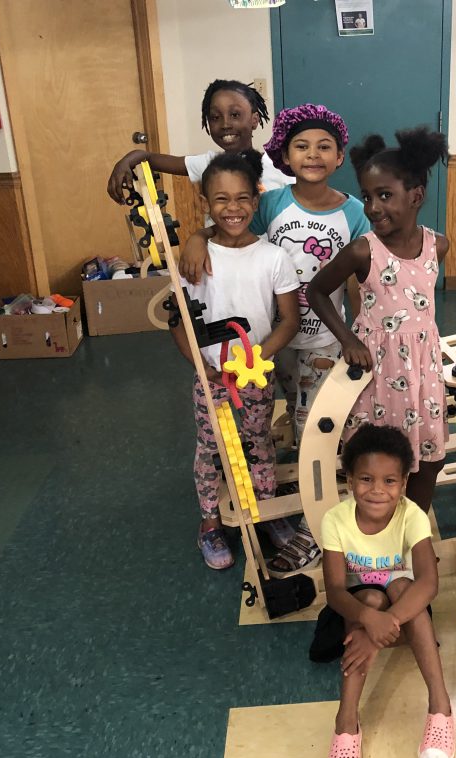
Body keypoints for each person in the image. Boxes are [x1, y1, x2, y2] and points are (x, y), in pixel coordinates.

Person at [182, 104, 370, 575]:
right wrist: (195, 239)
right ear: (285, 154)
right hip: (268, 349)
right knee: (249, 433)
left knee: (311, 431)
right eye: (302, 146)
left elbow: (362, 278)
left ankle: (309, 516)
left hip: (317, 342)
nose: (313, 154)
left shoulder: (353, 212)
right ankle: (225, 515)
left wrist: (359, 331)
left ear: (340, 156)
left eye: (324, 146)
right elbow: (228, 222)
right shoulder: (272, 203)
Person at [307, 127, 449, 516]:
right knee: (375, 455)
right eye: (367, 197)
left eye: (384, 195)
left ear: (416, 196)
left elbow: (420, 304)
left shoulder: (439, 245)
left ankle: (413, 527)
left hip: (424, 368)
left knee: (429, 451)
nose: (372, 207)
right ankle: (370, 526)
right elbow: (317, 291)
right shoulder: (361, 250)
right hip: (378, 369)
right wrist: (347, 342)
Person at [168, 150, 300, 570]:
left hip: (255, 374)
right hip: (211, 377)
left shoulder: (274, 258)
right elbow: (178, 320)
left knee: (257, 442)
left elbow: (289, 320)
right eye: (221, 199)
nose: (233, 208)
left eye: (242, 198)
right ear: (205, 202)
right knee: (211, 447)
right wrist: (199, 365)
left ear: (257, 200)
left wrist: (258, 358)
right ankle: (210, 522)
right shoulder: (196, 258)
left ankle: (265, 510)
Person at [320, 424, 455, 758]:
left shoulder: (411, 515)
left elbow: (428, 583)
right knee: (370, 601)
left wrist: (379, 633)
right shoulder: (335, 520)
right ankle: (346, 724)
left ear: (404, 484)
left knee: (401, 587)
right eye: (366, 479)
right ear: (349, 480)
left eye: (389, 481)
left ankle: (440, 707)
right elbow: (335, 591)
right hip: (359, 606)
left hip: (403, 607)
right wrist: (369, 621)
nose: (377, 490)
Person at [106, 79, 292, 205]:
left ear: (254, 119)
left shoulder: (279, 167)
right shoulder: (208, 163)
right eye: (215, 117)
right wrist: (124, 163)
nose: (225, 124)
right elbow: (147, 157)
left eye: (235, 115)